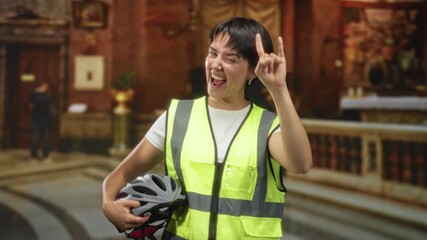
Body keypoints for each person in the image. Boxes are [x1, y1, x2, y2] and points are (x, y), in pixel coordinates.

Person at [102, 17, 312, 239]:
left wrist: (278, 89)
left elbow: (301, 163)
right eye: (212, 53)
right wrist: (108, 204)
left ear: (253, 71)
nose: (216, 64)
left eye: (230, 58)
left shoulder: (267, 126)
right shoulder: (178, 117)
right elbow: (122, 173)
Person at [28, 81, 52, 163]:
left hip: (36, 117)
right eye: (46, 86)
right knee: (46, 137)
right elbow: (49, 105)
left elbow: (31, 107)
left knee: (35, 136)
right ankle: (45, 156)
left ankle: (33, 156)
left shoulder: (32, 95)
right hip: (46, 118)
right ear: (43, 86)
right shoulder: (47, 95)